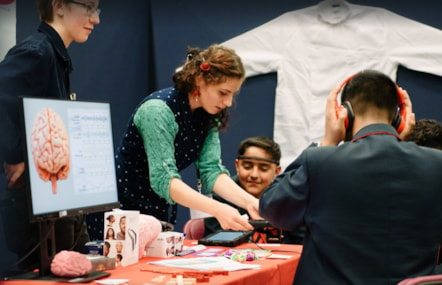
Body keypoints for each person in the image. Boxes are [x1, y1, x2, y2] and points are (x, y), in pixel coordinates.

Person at [260, 70, 442, 284]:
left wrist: (327, 141)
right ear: (398, 118)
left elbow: (272, 209)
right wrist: (398, 143)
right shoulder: (437, 164)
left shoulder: (320, 162)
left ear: (344, 114)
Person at [95, 44, 259, 238]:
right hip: (120, 214)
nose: (228, 103)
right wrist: (218, 208)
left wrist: (251, 203)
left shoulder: (207, 115)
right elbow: (164, 179)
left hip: (157, 213)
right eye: (223, 93)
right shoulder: (157, 110)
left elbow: (211, 171)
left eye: (233, 94)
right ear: (199, 80)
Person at [0, 0, 100, 276]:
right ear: (59, 6)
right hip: (35, 214)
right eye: (89, 7)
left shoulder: (56, 56)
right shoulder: (36, 52)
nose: (96, 19)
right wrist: (17, 156)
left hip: (55, 208)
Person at [204, 136, 305, 244]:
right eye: (247, 166)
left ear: (277, 171)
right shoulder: (220, 195)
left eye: (263, 169)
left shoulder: (287, 197)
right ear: (237, 166)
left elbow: (300, 243)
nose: (254, 175)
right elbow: (216, 243)